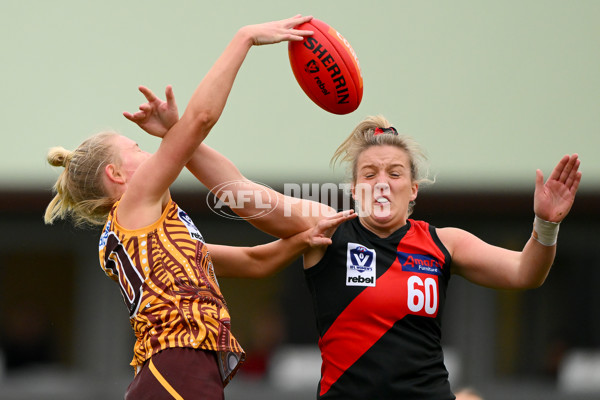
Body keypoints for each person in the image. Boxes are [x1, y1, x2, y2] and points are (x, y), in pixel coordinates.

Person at [128, 89, 581, 399]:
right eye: (369, 174)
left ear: (414, 189)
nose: (382, 183)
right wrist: (178, 134)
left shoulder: (445, 243)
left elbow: (526, 272)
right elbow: (239, 192)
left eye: (395, 174)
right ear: (354, 188)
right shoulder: (327, 230)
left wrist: (545, 224)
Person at [43, 15, 357, 400]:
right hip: (177, 368)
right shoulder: (137, 200)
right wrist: (244, 39)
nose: (149, 151)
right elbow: (201, 119)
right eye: (137, 149)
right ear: (117, 174)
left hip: (171, 374)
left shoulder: (152, 235)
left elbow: (254, 263)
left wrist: (303, 238)